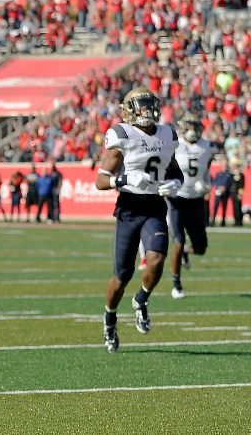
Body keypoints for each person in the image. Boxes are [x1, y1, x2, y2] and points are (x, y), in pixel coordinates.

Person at [94, 88, 182, 352]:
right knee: (122, 276)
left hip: (154, 204)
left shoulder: (167, 134)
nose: (147, 111)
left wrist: (176, 182)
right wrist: (123, 179)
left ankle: (141, 300)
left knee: (156, 259)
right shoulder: (123, 134)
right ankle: (110, 318)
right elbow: (100, 181)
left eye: (149, 106)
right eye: (141, 106)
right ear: (130, 110)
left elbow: (175, 170)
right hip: (129, 208)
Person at [166, 114, 215, 300]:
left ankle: (188, 252)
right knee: (177, 241)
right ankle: (176, 283)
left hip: (196, 201)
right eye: (189, 127)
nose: (192, 131)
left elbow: (207, 168)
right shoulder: (174, 144)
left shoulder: (207, 146)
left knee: (201, 248)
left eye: (195, 127)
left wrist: (206, 184)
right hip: (177, 199)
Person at [230, 162, 245, 227]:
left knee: (238, 207)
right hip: (233, 193)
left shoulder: (241, 175)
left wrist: (240, 194)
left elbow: (242, 185)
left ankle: (239, 221)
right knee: (234, 208)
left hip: (238, 193)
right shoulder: (232, 175)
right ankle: (236, 221)